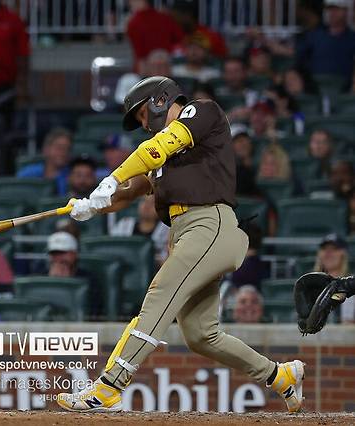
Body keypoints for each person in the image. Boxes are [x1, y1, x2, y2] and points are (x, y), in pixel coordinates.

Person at [59, 76, 304, 413]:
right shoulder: (161, 156)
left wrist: (112, 176)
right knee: (201, 335)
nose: (144, 124)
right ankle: (280, 376)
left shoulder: (201, 112)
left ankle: (111, 384)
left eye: (143, 115)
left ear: (160, 100)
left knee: (161, 294)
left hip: (211, 222)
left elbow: (154, 150)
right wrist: (91, 204)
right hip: (184, 232)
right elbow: (131, 190)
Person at [295, 0, 355, 88]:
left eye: (337, 9)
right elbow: (298, 53)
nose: (333, 13)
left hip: (342, 83)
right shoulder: (314, 34)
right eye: (330, 9)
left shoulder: (352, 37)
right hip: (314, 83)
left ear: (346, 11)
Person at [110, 194, 170, 268]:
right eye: (144, 201)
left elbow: (165, 261)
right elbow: (112, 250)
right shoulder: (124, 224)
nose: (147, 206)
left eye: (152, 203)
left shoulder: (166, 230)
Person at [125, 0, 183, 73]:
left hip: (147, 67)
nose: (129, 4)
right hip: (166, 66)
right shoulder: (164, 17)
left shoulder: (134, 23)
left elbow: (139, 55)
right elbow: (179, 38)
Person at [17, 127, 72, 195]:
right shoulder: (27, 174)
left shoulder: (71, 177)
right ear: (46, 149)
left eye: (67, 149)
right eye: (59, 148)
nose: (63, 153)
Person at [312, 233, 353, 324]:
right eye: (324, 249)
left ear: (343, 253)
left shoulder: (352, 284)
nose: (328, 253)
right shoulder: (309, 284)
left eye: (334, 249)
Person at [231, 126, 258, 197]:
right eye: (237, 141)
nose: (242, 144)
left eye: (244, 139)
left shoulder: (263, 166)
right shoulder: (230, 172)